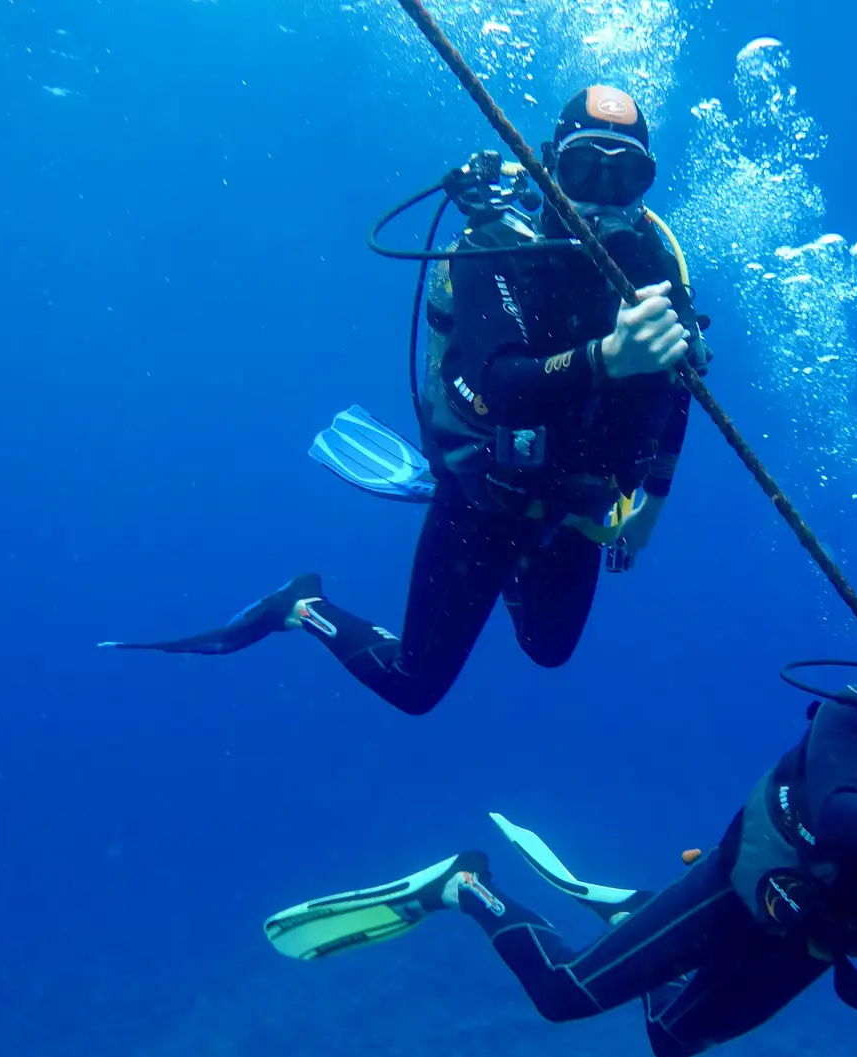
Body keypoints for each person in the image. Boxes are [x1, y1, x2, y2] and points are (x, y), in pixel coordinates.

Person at [261, 593, 857, 1057]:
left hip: (816, 943)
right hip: (741, 889)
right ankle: (465, 885)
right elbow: (836, 815)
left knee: (669, 1044)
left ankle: (637, 910)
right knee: (565, 996)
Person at [100, 85, 709, 715]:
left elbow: (678, 387)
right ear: (552, 168)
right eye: (585, 171)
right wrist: (607, 358)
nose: (604, 198)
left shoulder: (654, 267)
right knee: (413, 685)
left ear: (647, 184)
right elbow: (502, 383)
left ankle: (514, 565)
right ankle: (301, 606)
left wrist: (651, 508)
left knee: (548, 649)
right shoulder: (496, 246)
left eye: (625, 176)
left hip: (576, 504)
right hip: (486, 498)